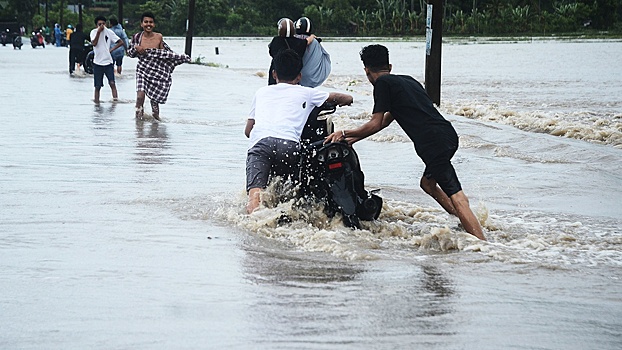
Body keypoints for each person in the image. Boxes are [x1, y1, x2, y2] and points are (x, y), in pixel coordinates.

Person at [324, 45, 486, 240]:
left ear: (366, 71)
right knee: (428, 184)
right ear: (389, 66)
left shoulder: (382, 84)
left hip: (432, 143)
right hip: (448, 135)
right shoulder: (408, 81)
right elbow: (385, 122)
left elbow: (375, 123)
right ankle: (464, 220)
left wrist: (342, 132)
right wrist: (352, 140)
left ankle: (483, 245)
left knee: (458, 197)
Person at [245, 49, 353, 213]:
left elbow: (248, 131)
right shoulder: (307, 92)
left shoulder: (261, 92)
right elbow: (342, 97)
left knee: (255, 196)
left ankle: (254, 223)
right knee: (293, 197)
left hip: (262, 145)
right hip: (289, 146)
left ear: (274, 74)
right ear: (299, 76)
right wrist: (348, 100)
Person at [127, 12, 190, 121]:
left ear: (154, 24)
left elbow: (164, 55)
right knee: (140, 96)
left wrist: (181, 58)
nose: (148, 24)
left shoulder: (158, 37)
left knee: (155, 103)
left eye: (151, 22)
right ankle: (138, 122)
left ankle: (156, 124)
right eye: (146, 22)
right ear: (141, 24)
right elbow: (129, 53)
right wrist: (137, 48)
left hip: (157, 71)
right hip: (142, 69)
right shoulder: (137, 37)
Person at [267, 18, 314, 86]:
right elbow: (307, 41)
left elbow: (271, 52)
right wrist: (312, 36)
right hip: (293, 76)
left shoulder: (276, 41)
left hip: (277, 77)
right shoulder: (298, 42)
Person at [90, 15, 124, 104]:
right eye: (99, 24)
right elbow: (94, 43)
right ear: (96, 25)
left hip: (108, 62)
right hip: (97, 62)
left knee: (112, 83)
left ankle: (115, 101)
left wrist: (111, 50)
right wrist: (98, 32)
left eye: (103, 24)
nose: (101, 26)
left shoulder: (109, 32)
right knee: (97, 86)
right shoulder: (93, 32)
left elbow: (121, 42)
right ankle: (97, 104)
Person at [294, 17, 331, 88]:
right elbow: (324, 57)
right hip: (310, 79)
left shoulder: (292, 40)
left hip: (293, 78)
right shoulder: (315, 42)